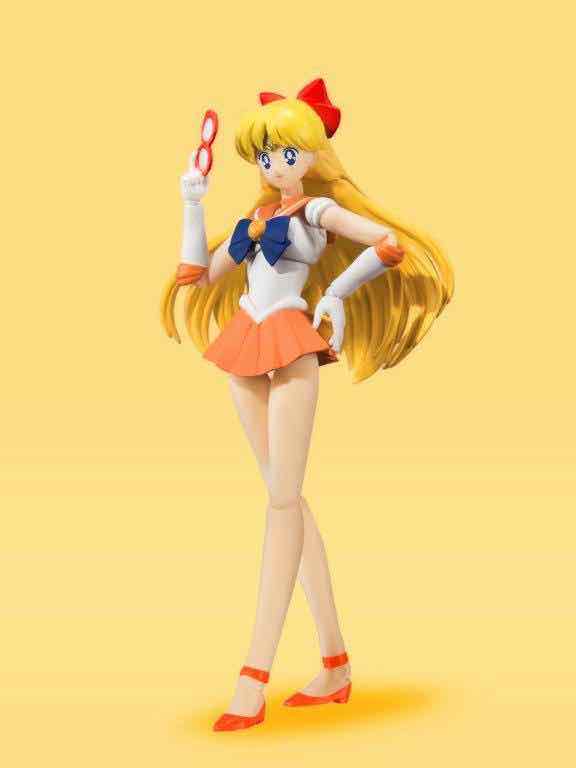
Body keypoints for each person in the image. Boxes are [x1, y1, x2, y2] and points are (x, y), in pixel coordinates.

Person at [161, 78, 454, 731]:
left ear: (312, 155)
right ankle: (335, 663)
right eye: (265, 156)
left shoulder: (316, 211)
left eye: (285, 154)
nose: (274, 166)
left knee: (281, 502)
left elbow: (387, 243)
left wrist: (338, 293)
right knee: (285, 499)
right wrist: (192, 203)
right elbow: (197, 276)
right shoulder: (255, 220)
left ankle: (253, 674)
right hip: (244, 342)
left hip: (292, 343)